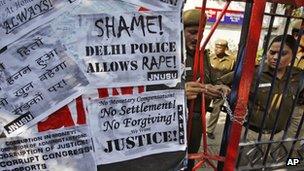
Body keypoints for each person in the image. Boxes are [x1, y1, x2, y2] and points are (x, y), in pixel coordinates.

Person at [220, 34, 303, 167]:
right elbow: (221, 83)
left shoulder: (298, 76)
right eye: (272, 52)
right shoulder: (252, 72)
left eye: (283, 53)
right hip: (250, 136)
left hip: (279, 137)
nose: (275, 57)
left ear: (293, 56)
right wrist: (224, 89)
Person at [183, 9, 230, 170]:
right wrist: (181, 92)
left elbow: (209, 77)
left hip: (196, 121)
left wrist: (218, 86)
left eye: (201, 33)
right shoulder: (170, 55)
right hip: (175, 121)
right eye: (192, 32)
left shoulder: (202, 55)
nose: (197, 37)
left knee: (190, 160)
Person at [206, 39, 236, 139]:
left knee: (216, 109)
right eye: (216, 46)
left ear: (225, 48)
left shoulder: (231, 60)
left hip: (221, 89)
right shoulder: (209, 58)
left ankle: (209, 130)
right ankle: (200, 126)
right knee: (203, 107)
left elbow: (234, 74)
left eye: (220, 47)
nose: (217, 49)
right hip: (209, 87)